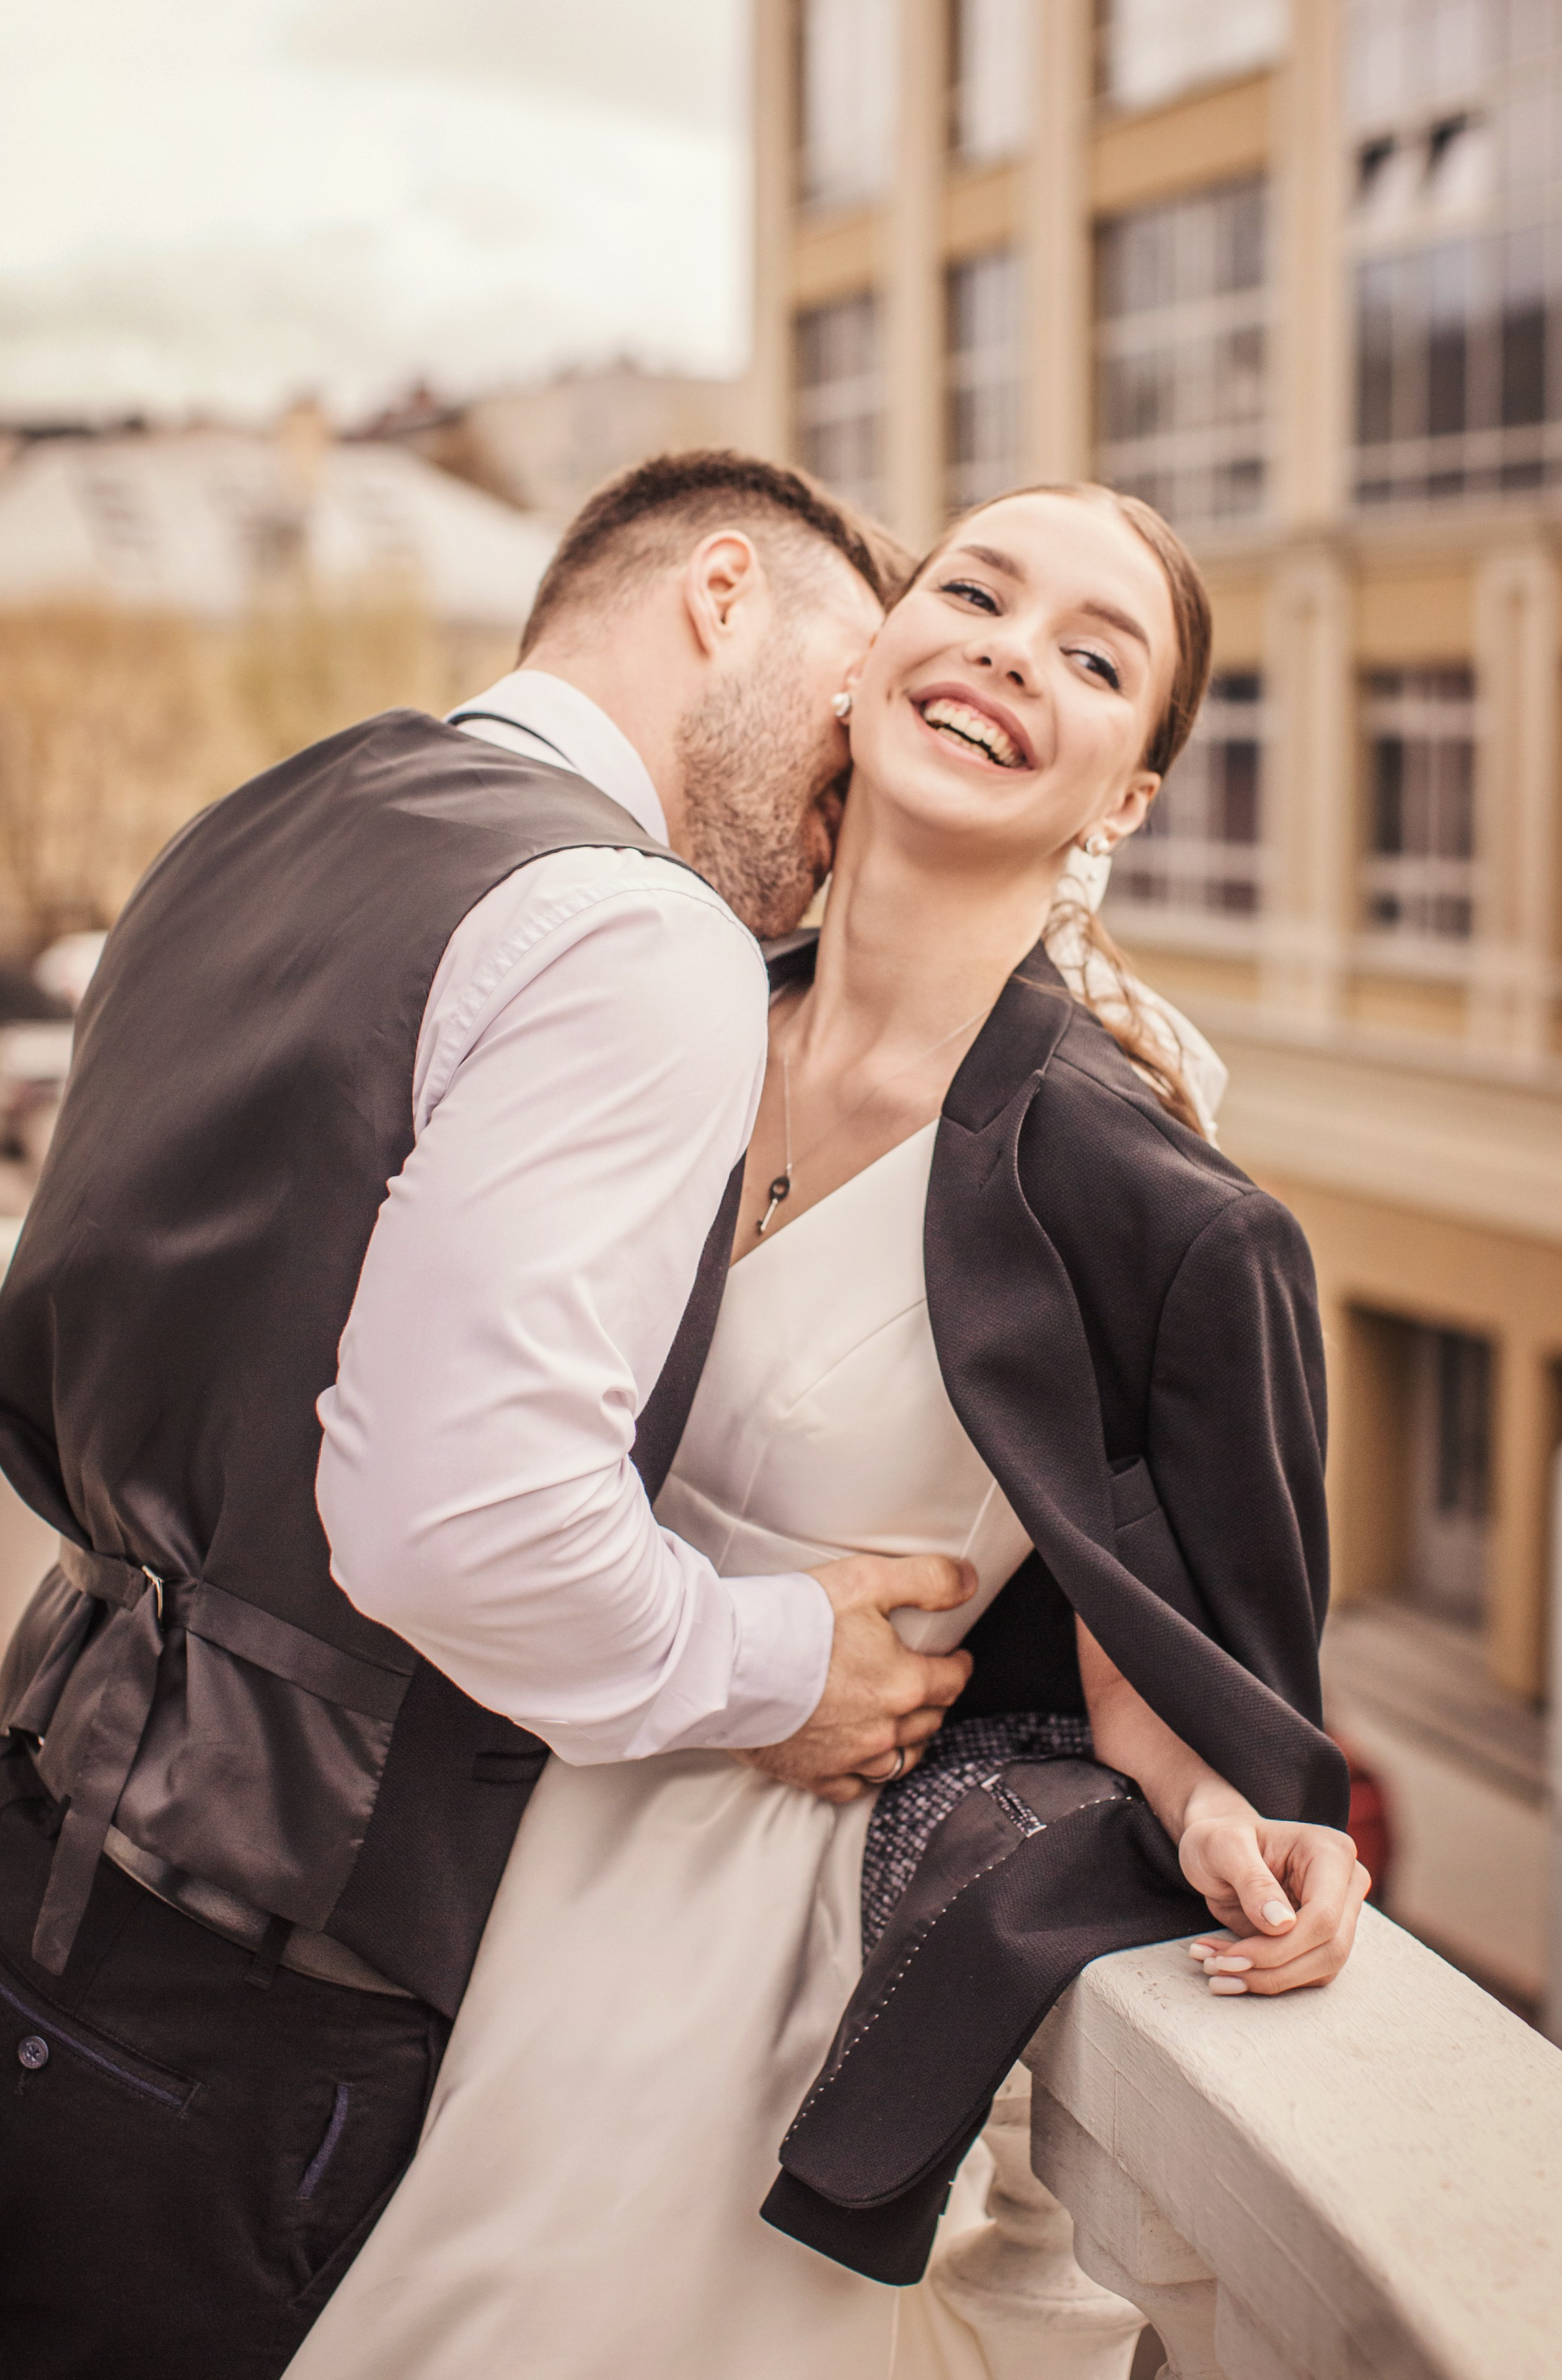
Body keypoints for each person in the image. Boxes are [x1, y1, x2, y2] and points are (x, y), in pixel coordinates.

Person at [281, 482, 1369, 2380]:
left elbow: (1158, 1642)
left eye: (1096, 659)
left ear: (1124, 797)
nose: (1017, 655)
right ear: (868, 665)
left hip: (726, 1971)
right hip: (435, 1875)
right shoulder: (639, 1006)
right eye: (979, 592)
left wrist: (1229, 1815)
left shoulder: (1161, 1213)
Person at [0, 452, 975, 2380]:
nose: (854, 783)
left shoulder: (260, 819)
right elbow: (462, 1522)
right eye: (853, 691)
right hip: (242, 2009)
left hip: (24, 1852)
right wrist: (789, 1664)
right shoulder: (637, 929)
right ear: (721, 592)